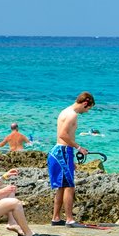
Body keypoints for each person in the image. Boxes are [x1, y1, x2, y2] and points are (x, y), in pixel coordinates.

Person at [48, 91, 95, 227]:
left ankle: (56, 218)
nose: (87, 112)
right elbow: (63, 134)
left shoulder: (65, 111)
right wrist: (79, 148)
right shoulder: (72, 115)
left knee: (62, 186)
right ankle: (69, 219)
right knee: (69, 186)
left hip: (61, 152)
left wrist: (71, 159)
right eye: (88, 108)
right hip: (63, 151)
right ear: (85, 103)